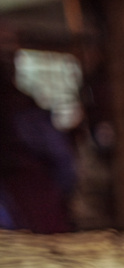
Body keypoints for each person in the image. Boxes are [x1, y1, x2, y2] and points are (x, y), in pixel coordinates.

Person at [0, 27, 76, 233]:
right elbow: (64, 165)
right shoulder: (25, 113)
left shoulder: (24, 113)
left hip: (34, 215)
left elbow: (63, 165)